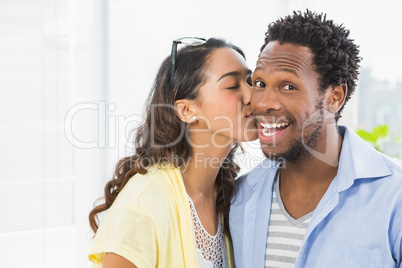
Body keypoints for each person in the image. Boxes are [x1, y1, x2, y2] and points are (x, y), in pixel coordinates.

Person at [230, 10, 402, 268]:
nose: (263, 103)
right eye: (260, 83)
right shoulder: (240, 197)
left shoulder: (395, 198)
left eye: (288, 86)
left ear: (334, 97)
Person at [88, 37, 257, 268]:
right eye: (232, 86)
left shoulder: (230, 198)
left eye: (251, 82)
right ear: (186, 110)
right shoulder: (144, 204)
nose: (252, 96)